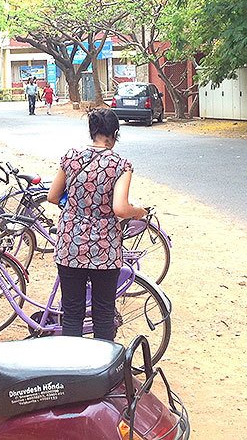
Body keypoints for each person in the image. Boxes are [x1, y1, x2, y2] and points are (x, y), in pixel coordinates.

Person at [46, 109, 147, 341]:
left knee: (72, 313)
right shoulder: (120, 165)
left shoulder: (71, 157)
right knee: (103, 314)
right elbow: (120, 209)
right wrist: (138, 212)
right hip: (105, 248)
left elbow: (52, 196)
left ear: (92, 132)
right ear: (114, 134)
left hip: (70, 245)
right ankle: (100, 373)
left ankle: (73, 372)